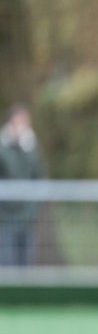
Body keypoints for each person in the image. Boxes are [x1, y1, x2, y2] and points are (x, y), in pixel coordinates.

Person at [0, 104, 45, 266]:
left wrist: (25, 148)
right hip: (5, 217)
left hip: (27, 216)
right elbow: (10, 171)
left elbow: (38, 176)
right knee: (7, 263)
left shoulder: (32, 146)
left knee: (26, 264)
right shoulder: (2, 147)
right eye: (18, 122)